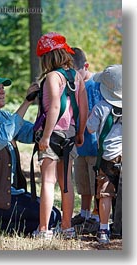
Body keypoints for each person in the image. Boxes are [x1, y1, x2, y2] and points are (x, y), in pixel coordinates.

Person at [0, 72, 61, 236]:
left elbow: (31, 133)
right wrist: (27, 102)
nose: (2, 91)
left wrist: (47, 106)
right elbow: (2, 137)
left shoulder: (3, 116)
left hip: (3, 195)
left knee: (52, 214)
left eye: (2, 87)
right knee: (49, 218)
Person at [32, 32, 88, 239]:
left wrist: (45, 137)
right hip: (70, 134)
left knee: (48, 182)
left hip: (52, 134)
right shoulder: (77, 76)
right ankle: (67, 227)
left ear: (46, 57)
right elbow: (84, 108)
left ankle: (44, 229)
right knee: (67, 182)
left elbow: (55, 106)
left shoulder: (52, 77)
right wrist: (80, 132)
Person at [87, 64, 122, 244]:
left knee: (105, 194)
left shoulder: (101, 107)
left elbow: (90, 128)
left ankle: (103, 229)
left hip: (107, 158)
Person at [71, 48, 103, 232]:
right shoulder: (73, 86)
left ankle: (97, 215)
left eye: (77, 72)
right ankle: (84, 213)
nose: (74, 77)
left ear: (86, 66)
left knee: (96, 182)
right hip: (79, 146)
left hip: (94, 145)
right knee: (83, 183)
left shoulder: (96, 84)